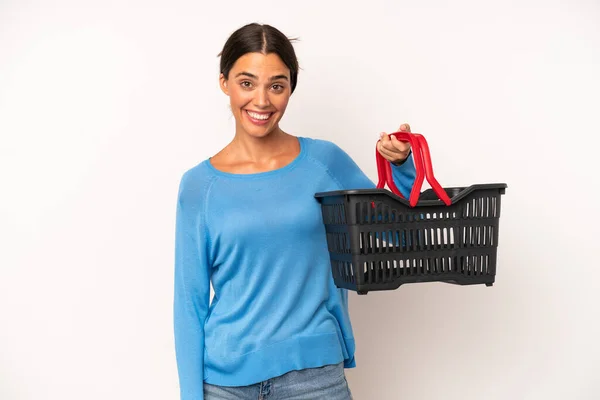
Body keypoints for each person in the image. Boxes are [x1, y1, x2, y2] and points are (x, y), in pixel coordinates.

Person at [174, 23, 416, 400]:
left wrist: (401, 167)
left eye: (276, 85)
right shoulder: (198, 187)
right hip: (225, 385)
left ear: (290, 88)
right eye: (247, 82)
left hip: (313, 379)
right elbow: (189, 303)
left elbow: (400, 234)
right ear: (225, 83)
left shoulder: (323, 162)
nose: (262, 101)